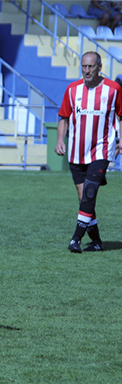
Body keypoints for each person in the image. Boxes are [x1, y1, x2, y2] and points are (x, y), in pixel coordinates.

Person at [55, 51, 122, 253]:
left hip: (101, 150)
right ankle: (96, 242)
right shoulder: (72, 90)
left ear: (99, 67)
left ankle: (75, 239)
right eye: (84, 66)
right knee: (85, 198)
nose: (87, 70)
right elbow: (63, 117)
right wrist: (60, 139)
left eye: (91, 66)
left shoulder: (113, 89)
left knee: (90, 192)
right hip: (76, 152)